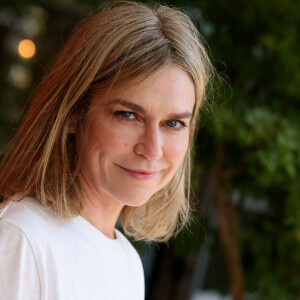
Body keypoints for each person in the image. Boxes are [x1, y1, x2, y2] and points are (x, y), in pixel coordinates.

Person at [0, 1, 213, 299]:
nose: (152, 150)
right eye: (128, 115)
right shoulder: (21, 239)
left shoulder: (127, 262)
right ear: (74, 113)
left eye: (173, 123)